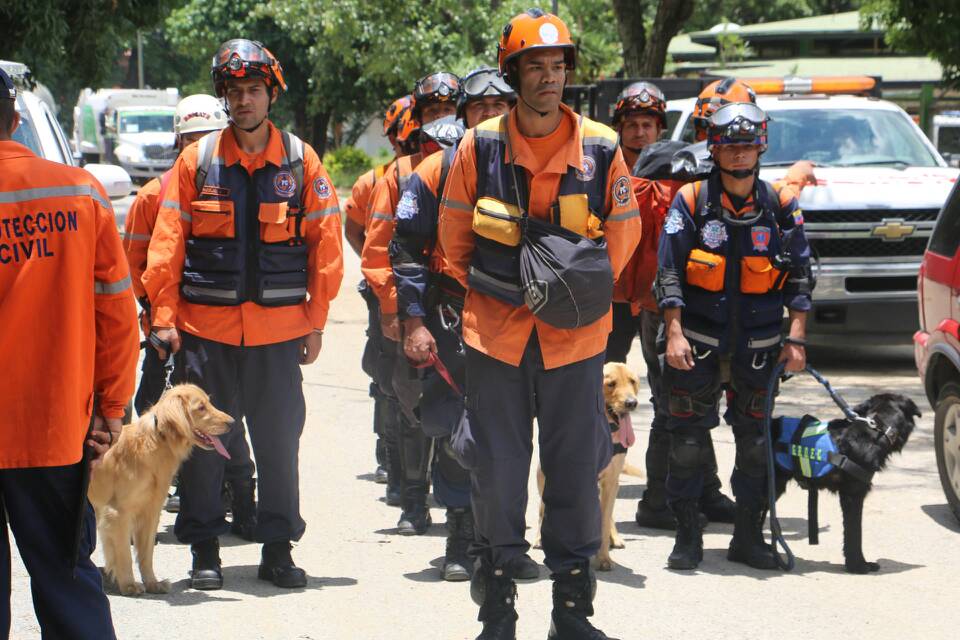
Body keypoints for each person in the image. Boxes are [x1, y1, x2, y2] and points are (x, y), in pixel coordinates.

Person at [439, 10, 640, 639]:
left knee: (576, 471)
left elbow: (624, 237)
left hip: (575, 341)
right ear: (514, 73)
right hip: (496, 335)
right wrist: (507, 293)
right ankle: (496, 613)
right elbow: (453, 238)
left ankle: (571, 615)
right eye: (536, 66)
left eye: (558, 66)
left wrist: (567, 293)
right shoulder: (480, 146)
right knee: (497, 469)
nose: (549, 78)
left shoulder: (603, 148)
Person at [143, 38, 343, 590]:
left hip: (280, 335)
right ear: (224, 97)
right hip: (205, 333)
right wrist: (164, 317)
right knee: (203, 445)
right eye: (235, 91)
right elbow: (167, 244)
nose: (245, 100)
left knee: (280, 441)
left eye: (255, 90)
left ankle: (278, 547)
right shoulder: (196, 161)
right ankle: (204, 547)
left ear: (271, 95)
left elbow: (326, 244)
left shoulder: (303, 161)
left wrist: (317, 320)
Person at [0, 66, 139, 639]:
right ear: (13, 119)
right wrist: (111, 408)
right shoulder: (79, 193)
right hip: (53, 427)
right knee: (64, 577)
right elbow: (116, 311)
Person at [656, 101, 812, 571]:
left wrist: (797, 339)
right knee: (684, 442)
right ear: (715, 149)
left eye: (748, 144)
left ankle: (748, 537)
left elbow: (801, 277)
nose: (740, 154)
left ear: (760, 146)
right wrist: (674, 333)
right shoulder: (690, 201)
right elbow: (668, 273)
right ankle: (687, 537)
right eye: (731, 145)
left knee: (756, 445)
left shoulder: (781, 205)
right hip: (697, 343)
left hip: (760, 349)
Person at [389, 67, 518, 581]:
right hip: (450, 317)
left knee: (512, 431)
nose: (490, 116)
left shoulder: (532, 166)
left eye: (499, 107)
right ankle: (462, 537)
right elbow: (407, 253)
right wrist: (414, 321)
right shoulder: (433, 173)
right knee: (453, 428)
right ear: (463, 115)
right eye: (480, 108)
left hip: (517, 319)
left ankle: (506, 540)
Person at [124, 94, 259, 536]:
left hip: (214, 329)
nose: (196, 147)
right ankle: (176, 497)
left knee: (224, 417)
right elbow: (137, 264)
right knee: (155, 417)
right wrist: (160, 318)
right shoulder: (153, 194)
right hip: (169, 332)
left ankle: (241, 500)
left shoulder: (237, 186)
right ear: (178, 141)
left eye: (206, 137)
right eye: (190, 139)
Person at [361, 70, 460, 536]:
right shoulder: (400, 175)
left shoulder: (481, 163)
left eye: (448, 110)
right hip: (414, 305)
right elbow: (380, 248)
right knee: (410, 400)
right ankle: (413, 501)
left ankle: (456, 497)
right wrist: (392, 311)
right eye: (432, 112)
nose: (442, 120)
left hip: (462, 305)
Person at [345, 95, 411, 496]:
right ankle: (388, 456)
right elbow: (353, 228)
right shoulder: (374, 181)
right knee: (385, 378)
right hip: (383, 291)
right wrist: (375, 270)